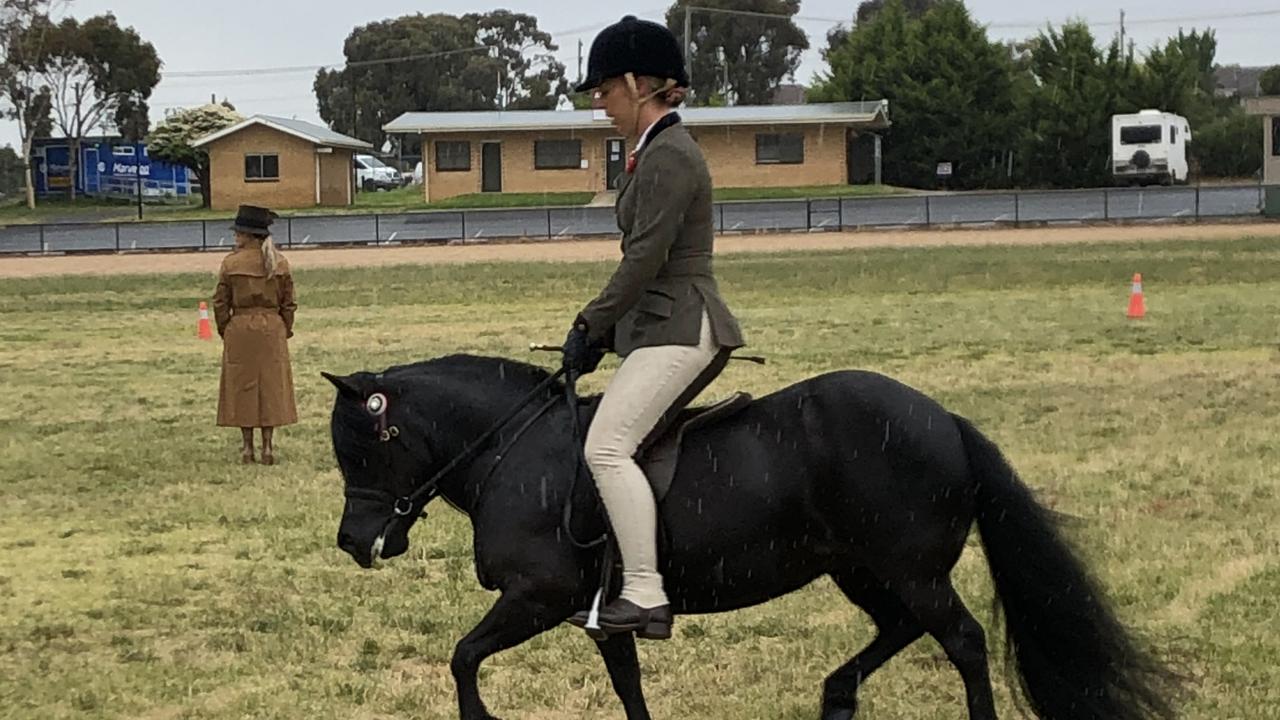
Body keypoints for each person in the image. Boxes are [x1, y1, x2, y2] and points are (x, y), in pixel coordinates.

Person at [564, 15, 745, 640]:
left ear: (641, 85)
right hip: (661, 322)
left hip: (684, 323)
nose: (599, 100)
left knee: (605, 447)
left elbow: (644, 260)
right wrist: (607, 339)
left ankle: (643, 592)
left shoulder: (669, 155)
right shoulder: (652, 153)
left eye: (606, 88)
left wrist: (590, 325)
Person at [212, 205, 298, 465]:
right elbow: (289, 303)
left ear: (247, 235)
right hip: (272, 329)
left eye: (238, 232)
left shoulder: (230, 263)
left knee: (242, 387)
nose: (235, 237)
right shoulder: (279, 262)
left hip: (240, 328)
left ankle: (247, 448)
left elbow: (220, 301)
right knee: (271, 387)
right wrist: (284, 327)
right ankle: (268, 446)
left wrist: (225, 327)